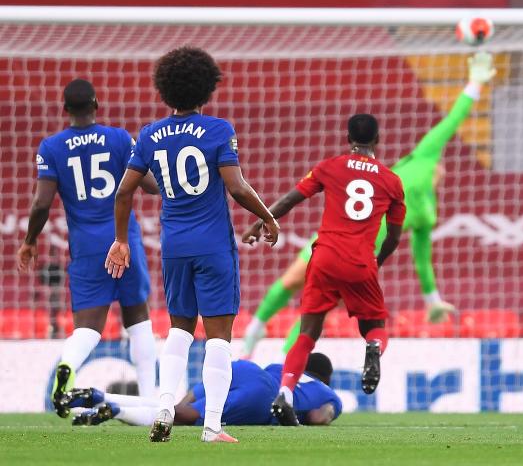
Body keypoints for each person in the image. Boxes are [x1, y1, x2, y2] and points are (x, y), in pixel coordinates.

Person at [239, 51, 496, 359]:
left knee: (320, 307)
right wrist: (476, 83)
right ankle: (255, 330)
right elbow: (453, 120)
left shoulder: (428, 211)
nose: (443, 169)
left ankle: (284, 358)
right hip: (340, 241)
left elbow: (422, 258)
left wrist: (432, 300)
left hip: (356, 254)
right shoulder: (425, 156)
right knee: (294, 279)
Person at [106, 46, 280, 443]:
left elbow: (124, 192)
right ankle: (213, 426)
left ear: (165, 90)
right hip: (213, 246)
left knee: (179, 329)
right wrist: (267, 216)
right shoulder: (218, 130)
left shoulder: (150, 134)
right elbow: (235, 186)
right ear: (206, 88)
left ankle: (165, 404)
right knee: (219, 335)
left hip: (174, 247)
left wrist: (120, 240)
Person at [241, 113, 405, 426]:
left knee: (307, 333)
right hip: (360, 262)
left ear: (348, 139)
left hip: (324, 257)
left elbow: (291, 199)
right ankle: (372, 348)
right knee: (376, 325)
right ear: (378, 140)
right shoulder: (392, 181)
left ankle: (286, 393)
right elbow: (394, 236)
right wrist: (377, 262)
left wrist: (260, 222)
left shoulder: (329, 166)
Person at [18, 79, 159, 417]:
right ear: (96, 104)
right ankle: (152, 398)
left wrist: (29, 241)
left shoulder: (51, 147)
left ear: (65, 109)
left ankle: (67, 369)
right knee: (137, 316)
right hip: (123, 237)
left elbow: (41, 204)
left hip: (86, 245)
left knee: (87, 327)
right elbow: (152, 187)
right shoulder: (119, 138)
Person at [69, 353, 341, 427]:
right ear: (325, 378)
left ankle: (102, 397)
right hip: (263, 397)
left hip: (247, 369)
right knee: (187, 418)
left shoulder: (282, 365)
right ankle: (117, 410)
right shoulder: (329, 395)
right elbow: (320, 416)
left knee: (178, 405)